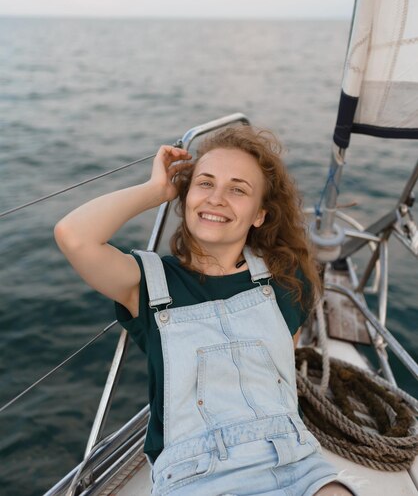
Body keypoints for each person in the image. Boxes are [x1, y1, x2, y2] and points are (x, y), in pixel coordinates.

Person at [55, 125, 359, 496]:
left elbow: (282, 366)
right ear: (185, 199)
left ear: (260, 215)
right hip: (196, 475)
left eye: (237, 189)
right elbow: (73, 235)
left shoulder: (287, 281)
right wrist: (156, 191)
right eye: (205, 183)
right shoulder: (149, 284)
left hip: (293, 461)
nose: (217, 198)